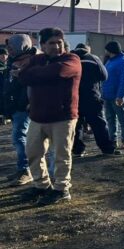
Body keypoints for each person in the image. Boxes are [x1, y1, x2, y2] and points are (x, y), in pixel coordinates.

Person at [18, 28, 82, 206]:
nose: (56, 46)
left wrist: (34, 74)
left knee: (62, 155)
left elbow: (58, 72)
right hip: (37, 117)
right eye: (51, 43)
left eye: (59, 42)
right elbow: (23, 78)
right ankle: (41, 185)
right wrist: (36, 74)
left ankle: (62, 189)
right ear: (42, 45)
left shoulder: (72, 59)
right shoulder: (38, 59)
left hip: (63, 117)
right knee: (33, 152)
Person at [71, 44, 120, 157]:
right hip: (91, 96)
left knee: (75, 125)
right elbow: (104, 76)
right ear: (87, 50)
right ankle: (107, 149)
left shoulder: (71, 58)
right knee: (98, 124)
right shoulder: (93, 58)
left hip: (74, 97)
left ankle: (78, 150)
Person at [3, 34, 38, 185]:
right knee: (18, 138)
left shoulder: (32, 62)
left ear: (21, 46)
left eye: (11, 47)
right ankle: (21, 168)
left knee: (19, 137)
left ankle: (26, 170)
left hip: (25, 106)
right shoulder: (14, 61)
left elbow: (32, 85)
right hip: (16, 105)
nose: (9, 51)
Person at [103, 41, 124, 150]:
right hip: (108, 95)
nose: (105, 51)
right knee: (110, 119)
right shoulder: (110, 61)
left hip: (117, 96)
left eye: (106, 49)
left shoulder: (122, 61)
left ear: (110, 50)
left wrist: (120, 96)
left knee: (122, 119)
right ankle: (112, 140)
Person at [0, 47, 8, 124]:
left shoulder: (10, 64)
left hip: (7, 88)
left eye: (5, 55)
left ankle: (5, 117)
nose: (4, 56)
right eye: (2, 55)